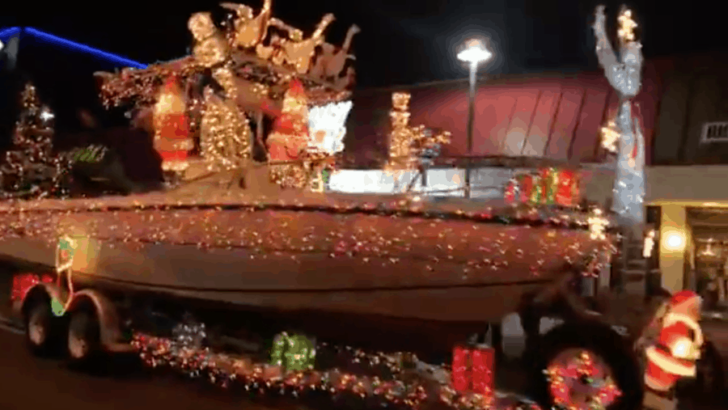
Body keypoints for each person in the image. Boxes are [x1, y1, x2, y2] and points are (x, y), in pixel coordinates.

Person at [642, 290, 704, 410]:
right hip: (663, 386)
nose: (698, 310)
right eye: (694, 306)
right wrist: (693, 370)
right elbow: (674, 361)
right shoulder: (678, 328)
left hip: (663, 386)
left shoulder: (679, 325)